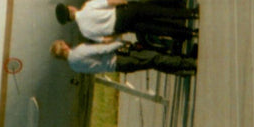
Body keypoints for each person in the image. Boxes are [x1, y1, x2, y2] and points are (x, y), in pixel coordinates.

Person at [55, 0, 198, 46]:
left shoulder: (85, 31)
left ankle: (189, 34)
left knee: (157, 28)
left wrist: (119, 32)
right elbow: (109, 1)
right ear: (70, 8)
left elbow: (106, 40)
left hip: (122, 26)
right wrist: (125, 3)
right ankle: (191, 13)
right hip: (123, 12)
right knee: (158, 12)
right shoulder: (87, 6)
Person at [51, 39, 197, 77]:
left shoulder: (73, 66)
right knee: (154, 58)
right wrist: (119, 43)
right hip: (118, 58)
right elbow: (102, 49)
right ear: (64, 47)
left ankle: (183, 70)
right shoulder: (79, 50)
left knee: (152, 63)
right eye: (63, 43)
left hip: (116, 67)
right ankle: (189, 63)